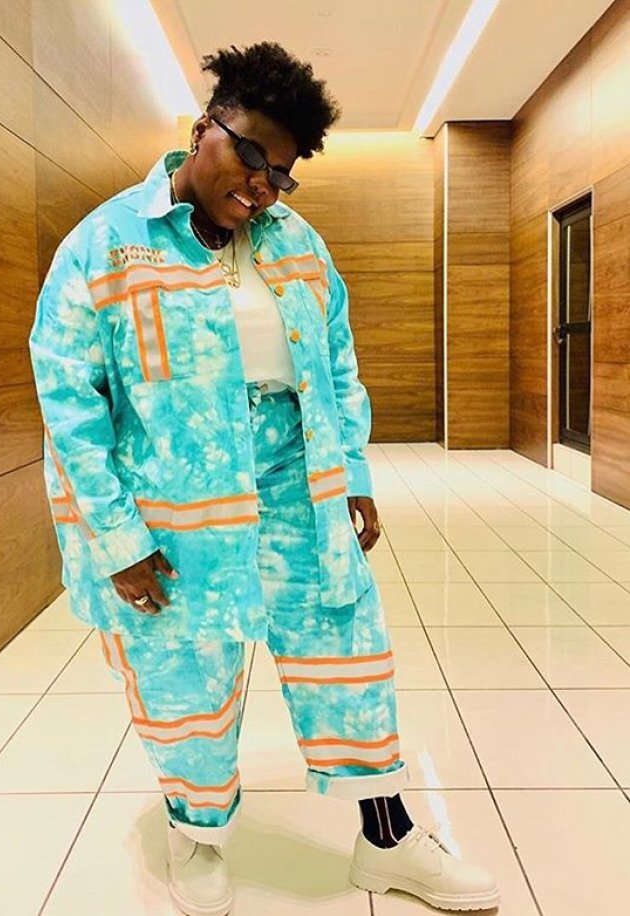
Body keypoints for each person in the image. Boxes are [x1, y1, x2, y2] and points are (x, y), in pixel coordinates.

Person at [29, 41, 499, 916]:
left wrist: (352, 469)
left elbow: (337, 360)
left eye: (280, 175)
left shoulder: (297, 244)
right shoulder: (105, 245)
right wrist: (118, 538)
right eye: (251, 156)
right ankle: (198, 835)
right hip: (172, 513)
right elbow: (68, 401)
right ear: (203, 128)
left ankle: (389, 837)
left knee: (348, 657)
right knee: (188, 678)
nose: (261, 187)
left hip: (296, 491)